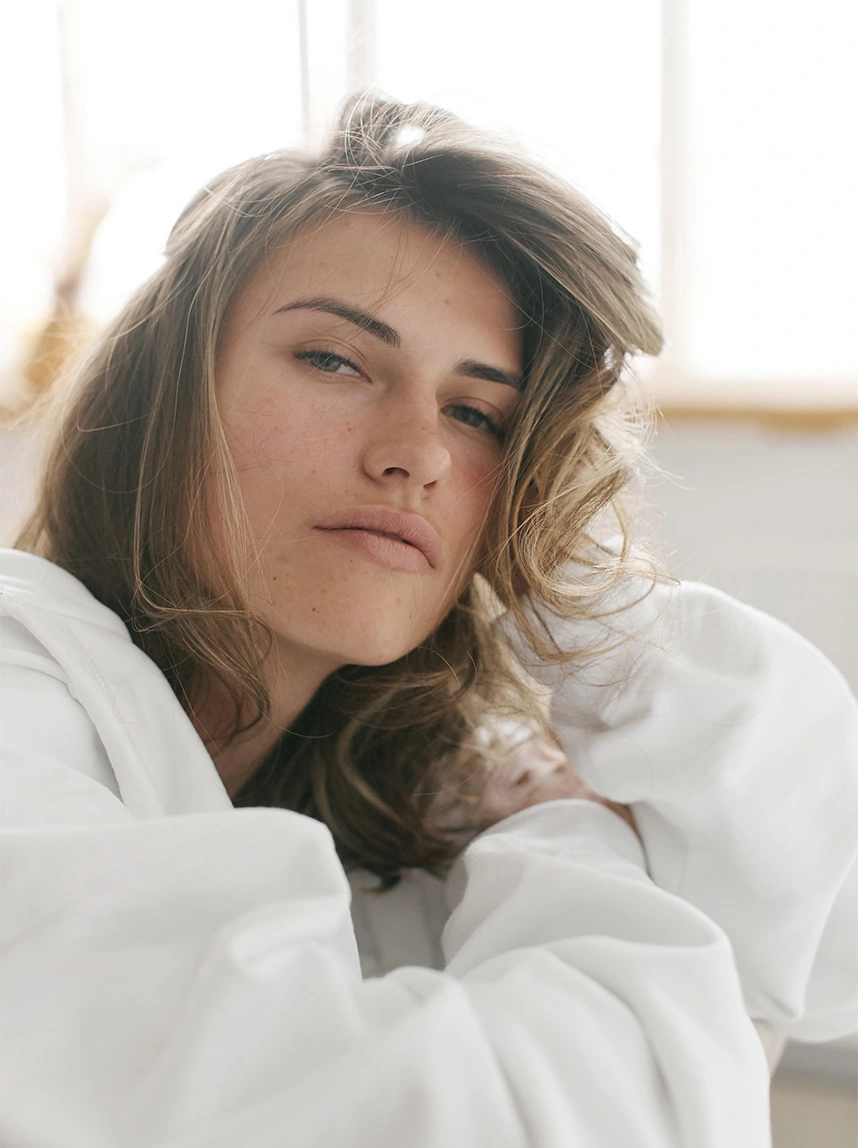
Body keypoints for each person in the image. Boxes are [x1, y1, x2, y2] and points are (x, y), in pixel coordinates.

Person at [1, 96, 855, 1147]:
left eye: (478, 414)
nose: (420, 453)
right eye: (335, 360)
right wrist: (569, 827)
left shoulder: (409, 823)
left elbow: (817, 950)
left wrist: (588, 613)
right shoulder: (16, 688)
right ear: (162, 395)